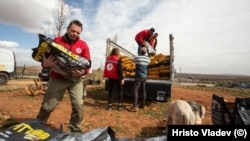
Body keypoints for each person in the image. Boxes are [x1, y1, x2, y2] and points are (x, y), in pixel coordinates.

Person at [36, 19, 91, 133]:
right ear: (67, 29)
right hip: (57, 78)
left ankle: (74, 132)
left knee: (78, 106)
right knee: (48, 106)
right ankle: (37, 125)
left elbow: (88, 62)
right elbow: (44, 58)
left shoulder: (83, 45)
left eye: (78, 32)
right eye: (73, 31)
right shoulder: (57, 41)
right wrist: (45, 64)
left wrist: (84, 72)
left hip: (76, 80)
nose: (75, 34)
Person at [131, 47, 150, 112]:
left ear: (140, 51)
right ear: (146, 52)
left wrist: (133, 57)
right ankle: (143, 105)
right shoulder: (148, 59)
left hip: (138, 76)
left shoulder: (137, 57)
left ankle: (134, 106)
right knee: (143, 90)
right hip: (145, 76)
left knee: (135, 90)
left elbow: (132, 60)